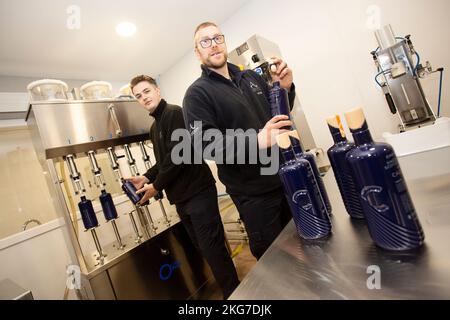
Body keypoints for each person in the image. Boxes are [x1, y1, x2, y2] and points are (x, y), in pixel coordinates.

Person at [183, 22, 296, 260]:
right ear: (197, 52)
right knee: (275, 263)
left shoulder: (251, 78)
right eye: (205, 41)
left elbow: (278, 119)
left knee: (305, 244)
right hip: (255, 197)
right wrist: (256, 140)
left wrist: (284, 89)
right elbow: (206, 144)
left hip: (287, 179)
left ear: (224, 42)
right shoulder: (196, 94)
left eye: (217, 38)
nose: (213, 45)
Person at [127, 75, 239, 299]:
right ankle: (233, 289)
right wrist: (146, 177)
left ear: (157, 90)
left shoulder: (174, 113)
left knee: (212, 249)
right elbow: (165, 160)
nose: (144, 98)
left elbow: (180, 155)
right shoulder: (154, 126)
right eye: (138, 96)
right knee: (203, 247)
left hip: (198, 194)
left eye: (146, 91)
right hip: (181, 199)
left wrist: (156, 186)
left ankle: (235, 295)